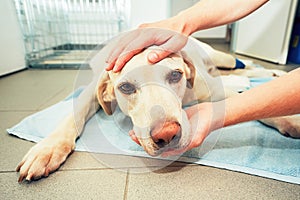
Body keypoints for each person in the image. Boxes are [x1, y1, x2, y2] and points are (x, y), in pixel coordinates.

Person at [105, 0, 300, 156]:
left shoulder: (193, 74)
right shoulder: (110, 75)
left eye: (174, 75)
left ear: (188, 74)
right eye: (128, 88)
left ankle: (245, 67)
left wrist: (277, 117)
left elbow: (228, 94)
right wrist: (181, 23)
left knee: (227, 61)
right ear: (108, 93)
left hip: (201, 54)